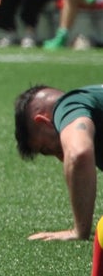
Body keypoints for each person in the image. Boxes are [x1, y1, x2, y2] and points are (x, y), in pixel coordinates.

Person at [13, 84, 102, 242]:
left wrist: (79, 231)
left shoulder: (68, 104)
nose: (61, 158)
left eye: (46, 149)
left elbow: (78, 154)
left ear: (42, 121)